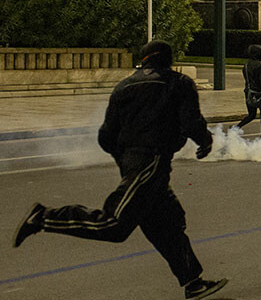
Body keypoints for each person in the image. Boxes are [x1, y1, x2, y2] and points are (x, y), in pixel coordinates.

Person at [11, 41, 228, 299]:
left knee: (168, 225)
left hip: (139, 164)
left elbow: (105, 136)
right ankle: (44, 217)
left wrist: (125, 160)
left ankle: (193, 282)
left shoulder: (124, 86)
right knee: (114, 224)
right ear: (168, 59)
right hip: (151, 163)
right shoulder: (178, 83)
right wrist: (205, 141)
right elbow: (192, 121)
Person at [235, 44, 261, 138]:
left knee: (251, 115)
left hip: (249, 92)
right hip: (260, 93)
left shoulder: (246, 65)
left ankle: (236, 127)